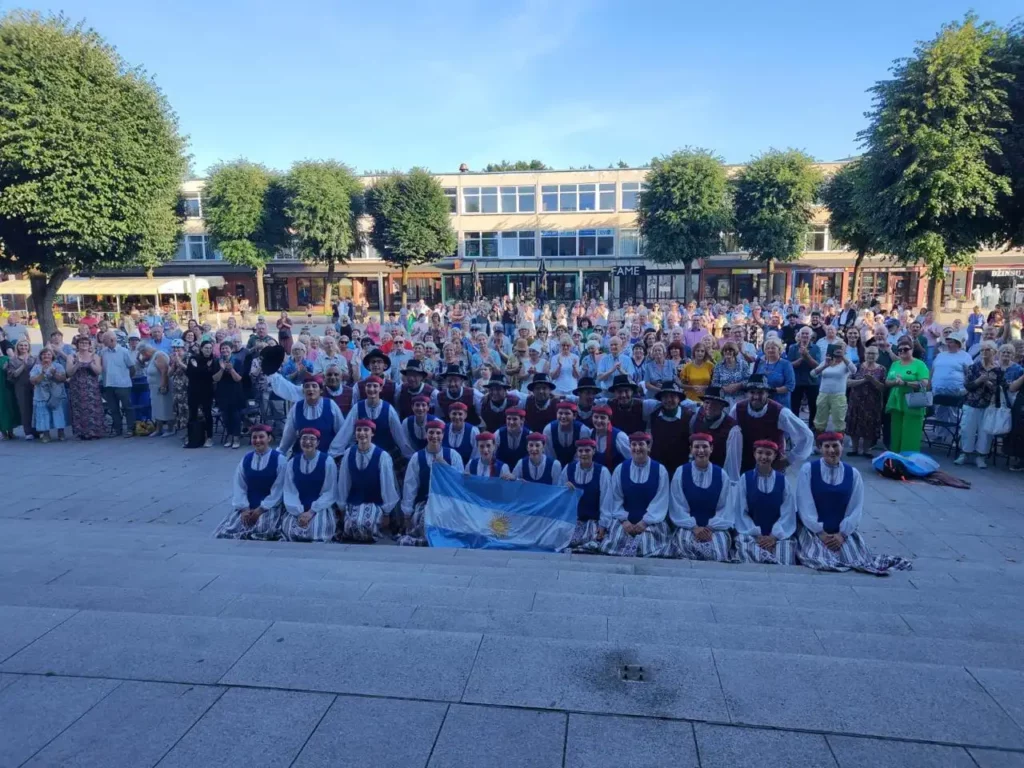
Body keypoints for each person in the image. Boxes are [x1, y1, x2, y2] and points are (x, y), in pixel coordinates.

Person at [797, 432, 913, 575]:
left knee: (855, 559)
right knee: (818, 558)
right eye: (826, 446)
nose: (831, 450)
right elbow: (805, 504)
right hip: (813, 530)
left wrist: (842, 534)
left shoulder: (853, 474)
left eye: (835, 446)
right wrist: (820, 532)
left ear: (842, 446)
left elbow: (855, 508)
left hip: (840, 531)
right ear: (820, 448)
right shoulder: (808, 470)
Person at [590, 432, 672, 558]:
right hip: (625, 520)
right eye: (634, 444)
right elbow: (615, 498)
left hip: (651, 521)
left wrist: (645, 522)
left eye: (641, 444)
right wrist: (624, 521)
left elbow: (660, 500)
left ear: (648, 447)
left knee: (646, 542)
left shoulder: (660, 470)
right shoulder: (620, 469)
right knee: (617, 540)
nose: (637, 448)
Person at [731, 439, 798, 564]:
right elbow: (741, 512)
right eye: (760, 453)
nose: (763, 457)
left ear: (774, 456)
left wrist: (773, 536)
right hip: (751, 533)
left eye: (768, 454)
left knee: (785, 554)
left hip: (777, 535)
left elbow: (787, 513)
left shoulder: (783, 481)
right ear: (754, 454)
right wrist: (756, 534)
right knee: (746, 550)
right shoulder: (745, 479)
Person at [214, 424, 286, 540]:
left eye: (261, 437)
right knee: (233, 527)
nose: (258, 441)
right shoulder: (246, 459)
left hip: (270, 505)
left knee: (262, 528)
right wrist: (244, 508)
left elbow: (279, 489)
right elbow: (239, 485)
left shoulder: (280, 460)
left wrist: (261, 508)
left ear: (269, 438)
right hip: (248, 504)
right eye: (254, 437)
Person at [668, 433, 733, 561]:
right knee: (685, 544)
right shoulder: (681, 472)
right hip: (688, 527)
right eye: (697, 447)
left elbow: (725, 507)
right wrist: (694, 527)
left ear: (711, 449)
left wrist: (709, 527)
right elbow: (678, 505)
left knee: (718, 550)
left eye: (705, 446)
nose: (701, 450)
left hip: (714, 529)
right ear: (691, 449)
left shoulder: (722, 475)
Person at [732, 374, 813, 474]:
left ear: (768, 394)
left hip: (772, 464)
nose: (756, 397)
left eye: (761, 392)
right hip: (745, 463)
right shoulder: (737, 409)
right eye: (752, 392)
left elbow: (806, 435)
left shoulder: (781, 412)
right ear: (747, 394)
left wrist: (789, 460)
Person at [399, 420, 464, 546]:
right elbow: (410, 486)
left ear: (443, 435)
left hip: (447, 501)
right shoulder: (417, 457)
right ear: (426, 435)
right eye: (431, 433)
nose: (434, 436)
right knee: (424, 520)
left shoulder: (453, 456)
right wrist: (407, 513)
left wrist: (444, 465)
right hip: (424, 502)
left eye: (438, 433)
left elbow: (459, 483)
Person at [336, 418, 401, 541]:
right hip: (354, 501)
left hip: (375, 502)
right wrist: (342, 508)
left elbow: (387, 485)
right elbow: (344, 482)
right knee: (352, 525)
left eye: (366, 430)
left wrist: (387, 512)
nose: (362, 433)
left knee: (364, 525)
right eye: (359, 430)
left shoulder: (382, 456)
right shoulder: (348, 453)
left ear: (372, 433)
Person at [280, 427, 338, 542]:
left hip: (320, 506)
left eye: (312, 439)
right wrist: (299, 512)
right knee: (290, 529)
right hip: (298, 506)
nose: (307, 442)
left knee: (318, 530)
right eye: (304, 438)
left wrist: (311, 511)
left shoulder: (327, 461)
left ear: (318, 443)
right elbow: (289, 490)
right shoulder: (292, 463)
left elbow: (329, 491)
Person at [956, 341, 1003, 469]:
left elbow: (1000, 388)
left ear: (994, 352)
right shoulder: (974, 367)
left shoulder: (998, 370)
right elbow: (967, 385)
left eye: (987, 350)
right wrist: (979, 381)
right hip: (972, 402)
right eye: (982, 350)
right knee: (967, 429)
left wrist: (991, 386)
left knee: (985, 432)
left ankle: (981, 456)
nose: (984, 352)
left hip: (989, 405)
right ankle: (965, 453)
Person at [560, 439, 612, 550]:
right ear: (577, 453)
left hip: (593, 520)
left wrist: (603, 524)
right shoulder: (568, 469)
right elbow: (558, 496)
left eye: (587, 450)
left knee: (595, 538)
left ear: (593, 451)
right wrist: (564, 489)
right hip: (573, 520)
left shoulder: (602, 472)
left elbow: (606, 501)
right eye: (581, 451)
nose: (584, 454)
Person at [884, 340, 931, 453]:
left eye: (905, 349)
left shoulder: (919, 364)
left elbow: (924, 383)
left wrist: (905, 383)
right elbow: (887, 382)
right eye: (899, 350)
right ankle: (895, 458)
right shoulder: (895, 364)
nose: (902, 351)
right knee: (896, 432)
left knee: (911, 433)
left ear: (912, 350)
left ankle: (909, 458)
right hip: (896, 402)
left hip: (913, 401)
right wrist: (895, 382)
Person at [688, 386, 742, 481]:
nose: (709, 406)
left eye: (714, 403)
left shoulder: (733, 429)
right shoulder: (696, 418)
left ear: (722, 406)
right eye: (707, 402)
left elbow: (732, 463)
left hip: (719, 476)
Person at [846, 345, 888, 457]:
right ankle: (854, 449)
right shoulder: (857, 366)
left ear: (878, 356)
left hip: (873, 402)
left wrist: (873, 380)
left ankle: (866, 450)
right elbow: (848, 382)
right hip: (856, 401)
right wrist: (863, 380)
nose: (870, 355)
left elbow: (883, 387)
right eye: (868, 353)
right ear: (864, 354)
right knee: (854, 424)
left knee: (870, 425)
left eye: (873, 353)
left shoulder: (882, 369)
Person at [810, 340, 856, 436]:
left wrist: (843, 357)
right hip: (823, 394)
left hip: (838, 395)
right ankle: (819, 444)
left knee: (839, 420)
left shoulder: (846, 362)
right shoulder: (826, 361)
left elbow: (854, 370)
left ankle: (839, 444)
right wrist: (825, 365)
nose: (838, 350)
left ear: (845, 350)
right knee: (820, 420)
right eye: (837, 347)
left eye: (841, 348)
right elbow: (813, 374)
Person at [98, 330, 136, 438]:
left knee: (127, 407)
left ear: (111, 340)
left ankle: (130, 428)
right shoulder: (103, 352)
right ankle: (117, 429)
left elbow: (132, 367)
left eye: (104, 340)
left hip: (123, 384)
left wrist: (127, 378)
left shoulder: (124, 351)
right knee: (113, 408)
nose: (103, 342)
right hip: (108, 384)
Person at [29, 347, 68, 442]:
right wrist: (42, 373)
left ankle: (61, 432)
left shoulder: (58, 366)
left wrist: (54, 373)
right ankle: (46, 434)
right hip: (41, 394)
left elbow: (63, 379)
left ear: (52, 356)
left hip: (56, 394)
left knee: (58, 412)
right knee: (43, 414)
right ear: (41, 356)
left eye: (49, 354)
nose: (46, 356)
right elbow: (33, 381)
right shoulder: (36, 367)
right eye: (44, 354)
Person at [136, 343, 174, 438]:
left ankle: (170, 428)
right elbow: (141, 362)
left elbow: (164, 371)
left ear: (146, 351)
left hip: (161, 385)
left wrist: (163, 385)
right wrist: (140, 358)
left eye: (143, 353)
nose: (143, 355)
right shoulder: (151, 356)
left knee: (166, 407)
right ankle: (158, 429)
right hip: (153, 387)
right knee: (157, 408)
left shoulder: (159, 355)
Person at [788, 327, 822, 426]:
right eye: (803, 333)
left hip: (812, 382)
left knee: (813, 407)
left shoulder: (816, 348)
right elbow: (789, 364)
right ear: (799, 335)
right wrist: (800, 360)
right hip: (797, 381)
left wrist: (807, 356)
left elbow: (817, 366)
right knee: (794, 407)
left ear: (811, 336)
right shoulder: (793, 347)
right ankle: (795, 427)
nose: (805, 336)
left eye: (807, 334)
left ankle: (812, 428)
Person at [543, 401, 591, 466]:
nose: (563, 416)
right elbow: (549, 454)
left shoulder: (583, 430)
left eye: (567, 413)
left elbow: (581, 456)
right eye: (560, 413)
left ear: (574, 416)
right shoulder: (548, 430)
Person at [753, 337, 795, 410]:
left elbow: (790, 386)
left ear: (779, 349)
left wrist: (772, 390)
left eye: (773, 348)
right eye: (767, 348)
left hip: (780, 404)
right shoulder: (761, 363)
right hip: (762, 403)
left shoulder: (786, 364)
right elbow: (755, 380)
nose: (770, 350)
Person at [0, 339, 17, 439]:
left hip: (7, 387)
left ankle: (10, 431)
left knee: (9, 407)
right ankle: (3, 432)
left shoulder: (7, 359)